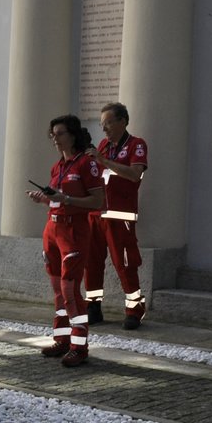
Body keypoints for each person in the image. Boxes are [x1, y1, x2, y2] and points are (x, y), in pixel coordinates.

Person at [26, 114, 106, 366]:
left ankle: (79, 346)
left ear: (72, 135)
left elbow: (97, 201)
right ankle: (62, 339)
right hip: (53, 229)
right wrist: (45, 199)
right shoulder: (58, 166)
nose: (55, 139)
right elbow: (57, 199)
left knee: (70, 290)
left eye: (59, 133)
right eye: (53, 135)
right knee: (58, 291)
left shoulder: (86, 164)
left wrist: (67, 200)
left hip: (74, 232)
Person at [85, 101, 148, 329]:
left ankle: (134, 309)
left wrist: (103, 161)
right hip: (95, 214)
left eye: (108, 123)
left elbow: (134, 174)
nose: (104, 129)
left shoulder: (136, 145)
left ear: (122, 121)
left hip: (120, 216)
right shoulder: (103, 145)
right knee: (91, 263)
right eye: (102, 124)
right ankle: (92, 306)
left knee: (125, 264)